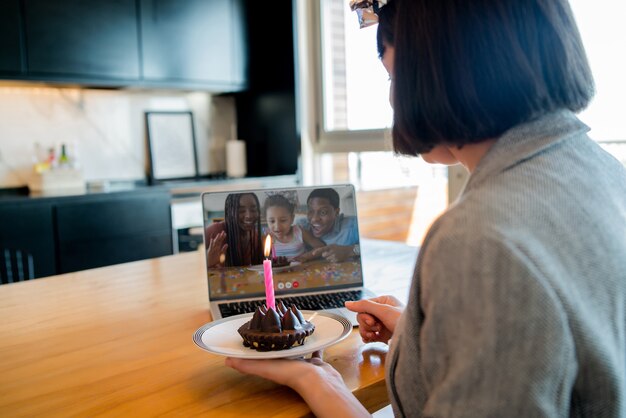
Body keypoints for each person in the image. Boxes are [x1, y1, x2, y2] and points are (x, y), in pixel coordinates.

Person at [226, 0, 626, 416]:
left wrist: (320, 382)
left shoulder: (479, 238)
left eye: (395, 76)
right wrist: (427, 334)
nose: (394, 99)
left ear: (448, 69)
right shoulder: (603, 171)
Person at [296, 188, 360, 263]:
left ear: (336, 212)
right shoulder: (302, 226)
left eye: (323, 212)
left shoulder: (354, 225)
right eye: (310, 211)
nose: (314, 219)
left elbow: (374, 246)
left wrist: (350, 250)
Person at [205, 193, 263, 267]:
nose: (249, 215)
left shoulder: (255, 237)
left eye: (253, 210)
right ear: (230, 212)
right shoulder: (213, 232)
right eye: (241, 211)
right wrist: (207, 262)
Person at [263, 194, 325, 260]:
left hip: (301, 269)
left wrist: (306, 257)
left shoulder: (299, 232)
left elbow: (321, 247)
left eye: (283, 220)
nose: (277, 226)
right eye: (272, 221)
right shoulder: (266, 236)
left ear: (292, 219)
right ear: (266, 220)